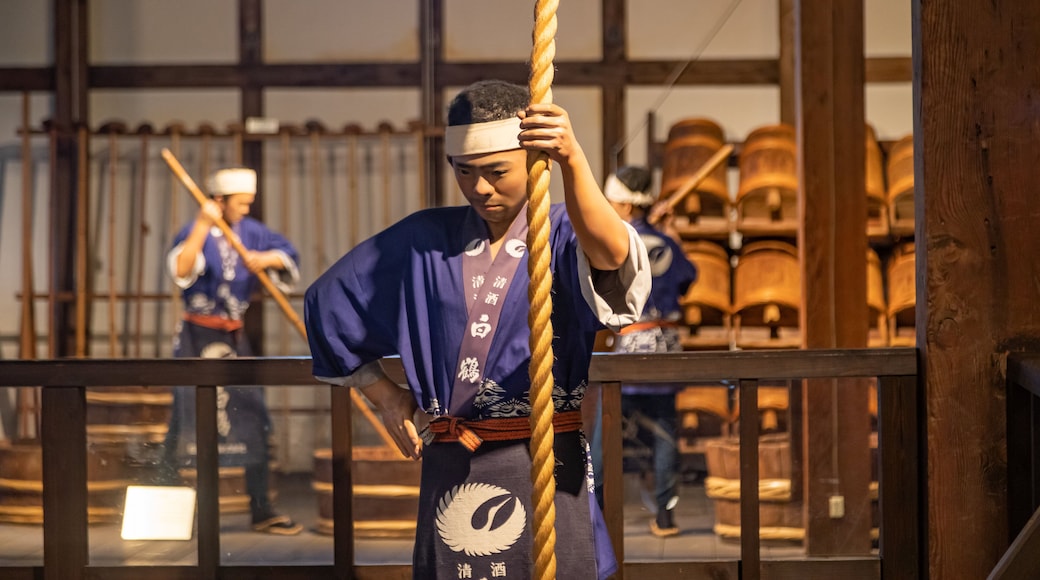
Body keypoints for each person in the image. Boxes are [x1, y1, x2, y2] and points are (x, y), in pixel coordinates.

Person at [304, 80, 651, 579]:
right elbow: (328, 300)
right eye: (465, 173)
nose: (480, 188)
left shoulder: (562, 232)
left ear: (535, 162)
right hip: (454, 458)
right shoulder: (424, 239)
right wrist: (386, 396)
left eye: (496, 172)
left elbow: (614, 257)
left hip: (547, 456)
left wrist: (574, 159)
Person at [162, 167, 303, 535]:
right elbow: (180, 268)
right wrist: (199, 224)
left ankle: (261, 508)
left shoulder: (253, 231)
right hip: (197, 337)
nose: (245, 209)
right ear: (219, 201)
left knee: (252, 416)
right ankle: (167, 503)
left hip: (235, 341)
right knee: (187, 418)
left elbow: (287, 255)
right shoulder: (196, 231)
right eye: (239, 203)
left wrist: (265, 259)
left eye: (248, 203)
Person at [591, 165, 698, 538]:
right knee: (665, 433)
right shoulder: (665, 242)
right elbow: (687, 277)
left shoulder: (618, 241)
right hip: (667, 345)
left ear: (623, 204)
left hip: (631, 346)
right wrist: (669, 233)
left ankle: (595, 515)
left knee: (606, 435)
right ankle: (666, 518)